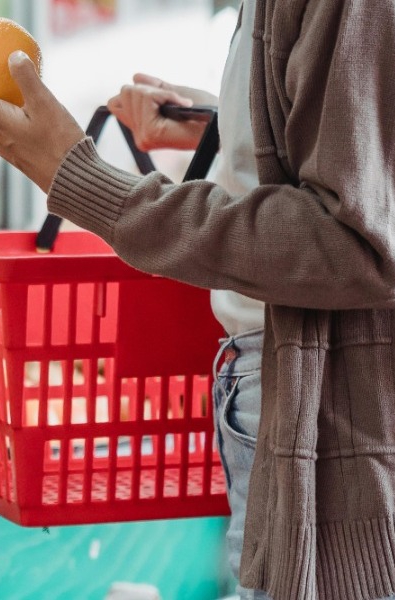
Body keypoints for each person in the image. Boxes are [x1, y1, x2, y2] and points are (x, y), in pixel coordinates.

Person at [0, 1, 395, 599]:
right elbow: (377, 145)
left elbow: (363, 245)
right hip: (329, 442)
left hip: (346, 469)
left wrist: (84, 181)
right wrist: (228, 123)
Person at [106, 4, 264, 595]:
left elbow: (354, 234)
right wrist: (220, 125)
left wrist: (65, 168)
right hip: (262, 381)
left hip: (301, 384)